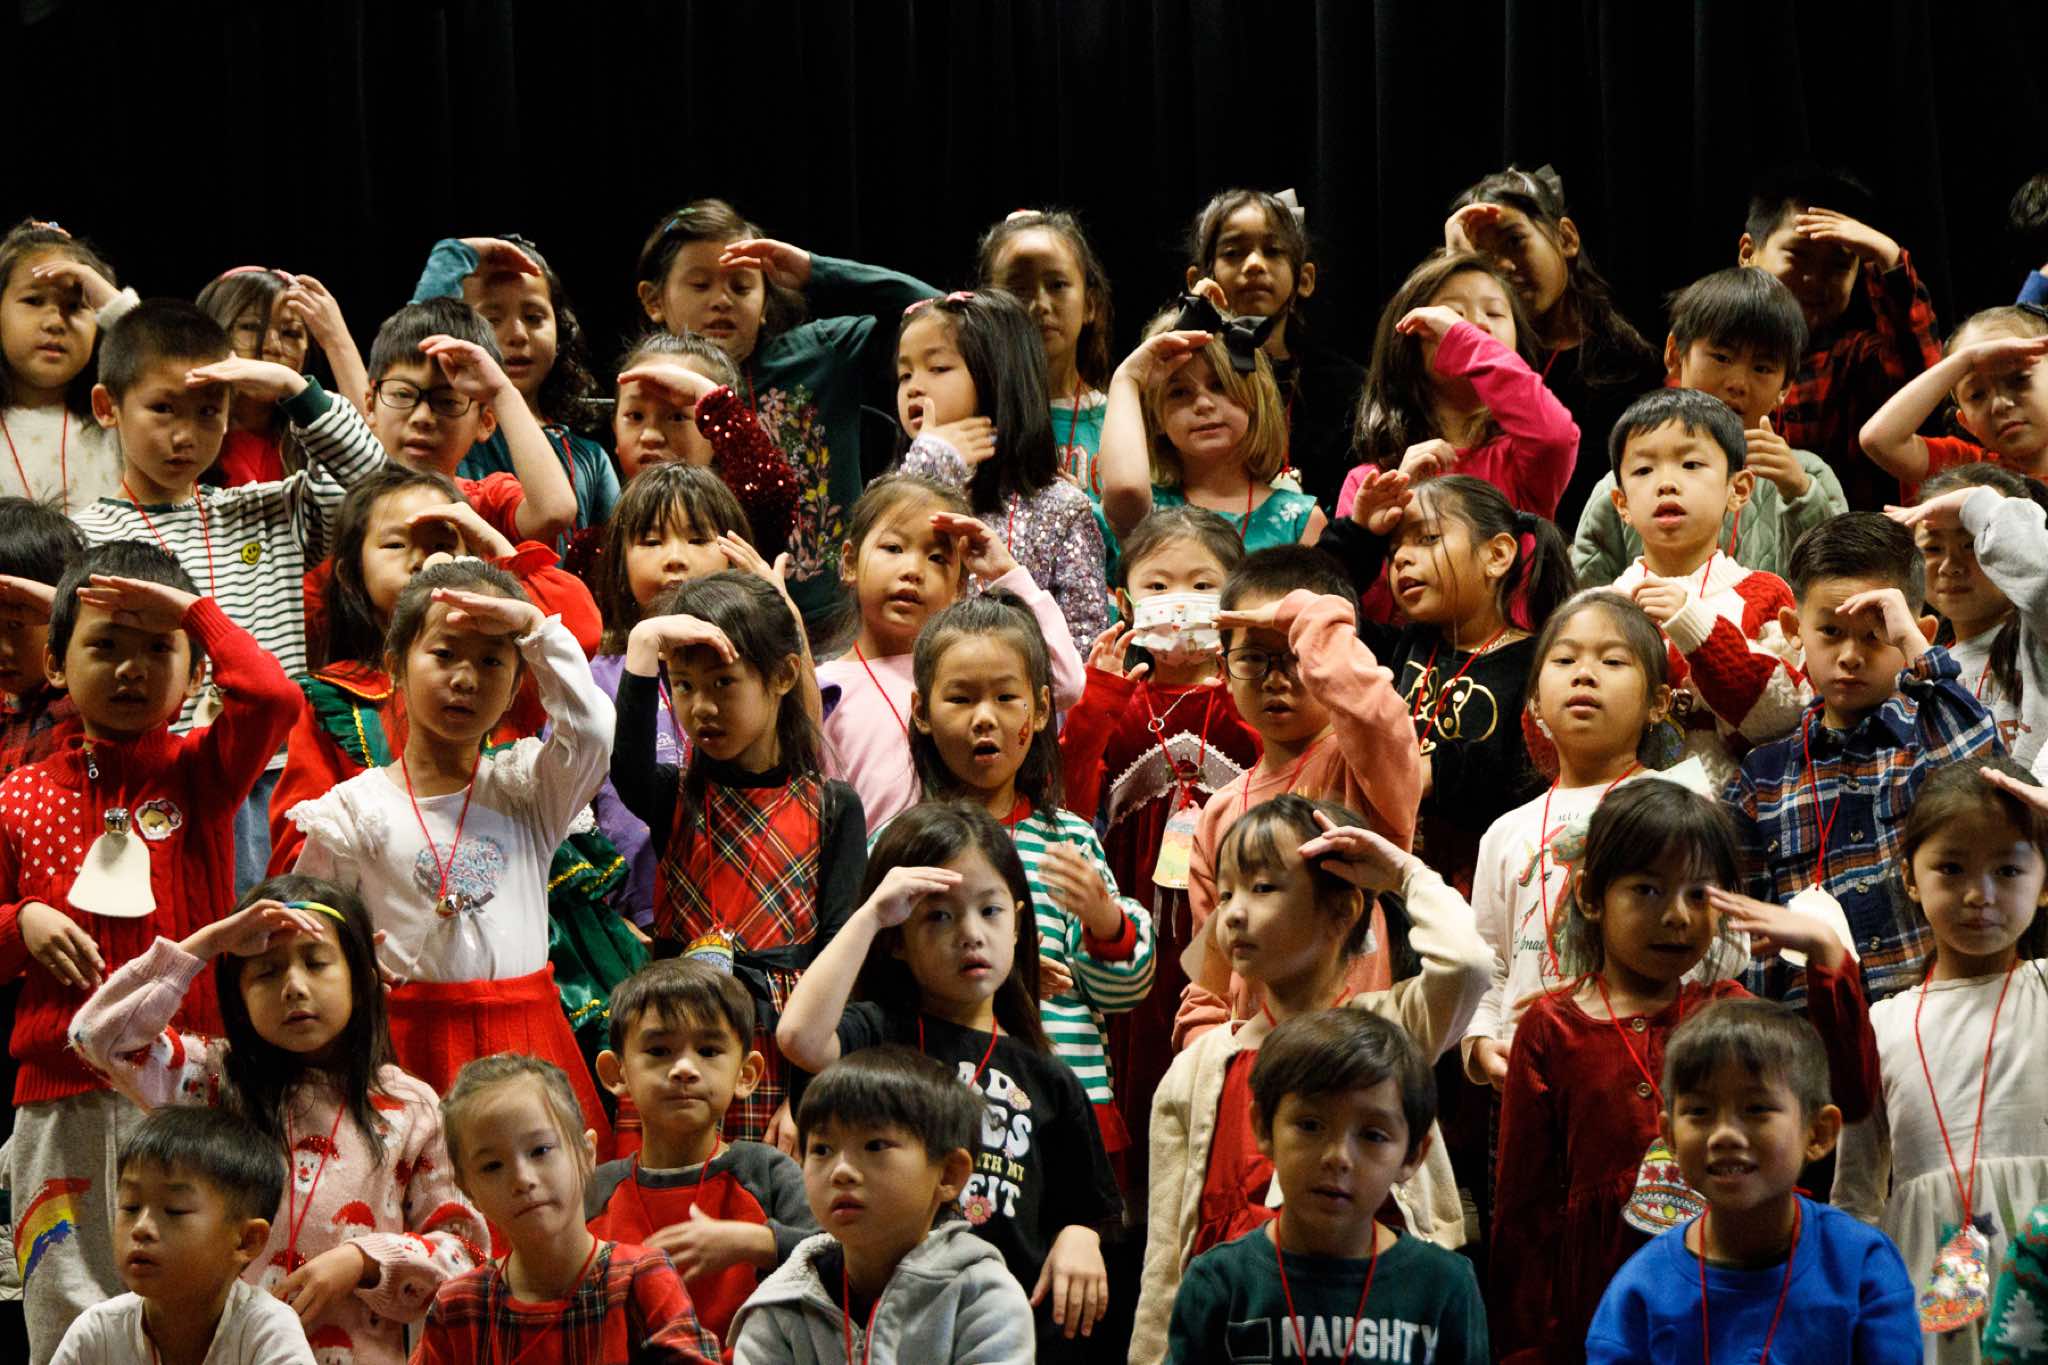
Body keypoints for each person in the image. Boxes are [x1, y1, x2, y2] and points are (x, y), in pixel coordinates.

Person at [0, 542, 299, 1364]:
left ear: (195, 671)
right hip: (57, 1099)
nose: (132, 668)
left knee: (197, 1303)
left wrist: (195, 614)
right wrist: (20, 920)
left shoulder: (204, 774)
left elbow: (273, 696)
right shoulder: (15, 794)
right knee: (63, 1306)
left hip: (186, 1089)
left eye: (158, 647)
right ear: (54, 665)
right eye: (105, 645)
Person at [1490, 778, 1866, 1360]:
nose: (1677, 916)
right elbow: (1523, 1215)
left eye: (1699, 894)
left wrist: (1826, 953)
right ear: (1590, 896)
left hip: (1737, 1304)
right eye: (1647, 890)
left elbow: (1850, 1099)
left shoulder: (1731, 1014)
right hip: (1598, 1315)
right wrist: (1526, 1352)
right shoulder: (1550, 1030)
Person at [67, 877, 487, 1365]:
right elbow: (97, 1036)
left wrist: (364, 1261)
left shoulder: (410, 1106)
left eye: (317, 962)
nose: (294, 987)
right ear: (239, 997)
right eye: (266, 971)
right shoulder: (211, 1081)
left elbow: (466, 1254)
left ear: (362, 978)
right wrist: (208, 944)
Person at [1133, 796, 1488, 1363]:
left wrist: (1402, 873)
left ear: (1342, 911)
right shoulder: (1197, 1071)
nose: (1234, 914)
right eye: (1224, 895)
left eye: (1262, 888)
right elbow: (1165, 1265)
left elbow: (1467, 964)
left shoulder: (1390, 1032)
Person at [285, 560, 619, 1153]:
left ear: (516, 687)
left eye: (491, 661)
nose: (466, 678)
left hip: (528, 1040)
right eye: (444, 655)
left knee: (535, 1198)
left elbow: (592, 731)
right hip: (406, 1050)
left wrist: (535, 630)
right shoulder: (352, 812)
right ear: (395, 667)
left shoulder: (528, 791)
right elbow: (309, 936)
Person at [776, 802, 1121, 1357]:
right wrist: (871, 915)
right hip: (887, 1328)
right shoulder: (878, 1034)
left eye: (991, 911)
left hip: (1005, 1332)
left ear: (1018, 923)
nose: (971, 934)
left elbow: (1090, 1206)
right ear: (897, 939)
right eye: (938, 917)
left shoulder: (1047, 1076)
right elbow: (799, 1038)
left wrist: (1081, 1236)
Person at [74, 299, 396, 890]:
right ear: (106, 407)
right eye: (162, 408)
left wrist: (295, 391)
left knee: (282, 931)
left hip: (278, 771)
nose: (184, 434)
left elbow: (377, 487)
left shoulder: (269, 509)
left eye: (208, 411)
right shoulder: (82, 535)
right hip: (160, 777)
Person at [612, 571, 865, 1144]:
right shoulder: (676, 795)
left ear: (783, 676)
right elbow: (625, 766)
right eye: (683, 686)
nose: (701, 707)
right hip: (679, 1036)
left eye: (723, 683)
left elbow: (837, 956)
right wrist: (644, 643)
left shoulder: (831, 806)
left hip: (779, 1048)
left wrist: (806, 1097)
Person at [904, 592, 1154, 1158]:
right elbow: (879, 983)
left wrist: (1106, 923)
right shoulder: (902, 847)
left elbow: (1122, 992)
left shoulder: (1070, 840)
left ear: (1040, 710)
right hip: (941, 1115)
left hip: (1062, 1112)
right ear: (921, 711)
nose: (984, 718)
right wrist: (1005, 975)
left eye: (1005, 697)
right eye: (960, 698)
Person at [1057, 507, 1261, 1175]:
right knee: (1138, 1051)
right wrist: (1098, 696)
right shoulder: (1116, 701)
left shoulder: (1252, 697)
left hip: (1227, 915)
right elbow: (1071, 794)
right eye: (1158, 585)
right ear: (1124, 600)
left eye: (1204, 586)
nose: (1180, 600)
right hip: (1134, 918)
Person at [631, 198, 940, 634]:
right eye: (700, 285)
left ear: (765, 299)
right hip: (707, 624)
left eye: (741, 287)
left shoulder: (820, 354)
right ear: (654, 300)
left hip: (836, 624)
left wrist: (817, 270)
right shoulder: (647, 383)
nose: (722, 300)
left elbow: (937, 313)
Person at [1729, 513, 2002, 1004]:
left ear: (1917, 632)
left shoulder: (1932, 734)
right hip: (1816, 1033)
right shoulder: (1762, 777)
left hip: (1940, 1016)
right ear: (1793, 628)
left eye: (1875, 635)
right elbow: (1750, 935)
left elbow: (1986, 775)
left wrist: (1914, 648)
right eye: (1831, 631)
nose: (1850, 655)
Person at [269, 465, 602, 866]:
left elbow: (580, 633)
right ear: (350, 572)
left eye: (443, 543)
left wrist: (497, 554)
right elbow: (301, 847)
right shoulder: (333, 698)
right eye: (395, 544)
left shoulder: (501, 670)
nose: (420, 560)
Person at [1834, 759, 2048, 1364]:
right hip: (1924, 1284)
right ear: (1909, 877)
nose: (1980, 895)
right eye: (1951, 869)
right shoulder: (1881, 1025)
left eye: (2009, 870)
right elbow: (1856, 1196)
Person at [1175, 546, 1423, 1045]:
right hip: (1256, 1067)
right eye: (1254, 658)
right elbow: (1211, 971)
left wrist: (1309, 620)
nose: (1275, 678)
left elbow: (1375, 711)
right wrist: (1210, 1050)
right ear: (1223, 668)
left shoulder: (1364, 764)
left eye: (1294, 656)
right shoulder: (1219, 813)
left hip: (1352, 1056)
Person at [1585, 998, 1919, 1365]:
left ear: (1818, 1133)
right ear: (1670, 1137)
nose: (1724, 1135)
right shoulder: (1640, 1292)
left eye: (1756, 1109)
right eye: (1699, 1111)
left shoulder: (1861, 1265)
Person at [1164, 1009, 1489, 1365]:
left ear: (1412, 1156)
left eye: (1372, 1135)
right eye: (1310, 1125)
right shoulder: (1220, 1284)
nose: (1338, 1157)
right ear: (1263, 1128)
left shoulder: (1443, 1287)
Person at [1461, 590, 1682, 1091]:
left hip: (1641, 1072)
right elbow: (1488, 964)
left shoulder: (1679, 804)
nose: (1584, 674)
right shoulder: (1506, 831)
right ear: (1536, 703)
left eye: (1612, 661)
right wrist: (1481, 1042)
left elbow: (1721, 950)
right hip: (1528, 1075)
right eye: (1564, 660)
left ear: (1658, 703)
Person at [1318, 471, 1572, 890]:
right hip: (1389, 881)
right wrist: (1359, 534)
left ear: (1497, 555)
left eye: (1428, 539)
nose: (1402, 558)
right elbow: (1318, 607)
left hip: (1485, 887)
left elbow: (1534, 775)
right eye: (1393, 549)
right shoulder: (1405, 646)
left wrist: (1438, 772)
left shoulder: (1541, 663)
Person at [725, 1046, 1035, 1364]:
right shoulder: (782, 1303)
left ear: (948, 1173)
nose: (841, 1171)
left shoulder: (982, 1297)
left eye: (874, 1146)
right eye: (822, 1149)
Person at [813, 473, 1083, 831]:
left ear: (959, 587)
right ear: (849, 562)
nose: (912, 570)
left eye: (938, 558)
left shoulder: (974, 668)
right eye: (893, 548)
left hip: (975, 858)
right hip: (874, 865)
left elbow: (1065, 683)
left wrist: (1005, 572)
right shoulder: (823, 687)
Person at [417, 1054, 721, 1363]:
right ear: (468, 1190)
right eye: (492, 1166)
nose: (522, 1179)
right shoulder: (457, 1308)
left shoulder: (641, 1281)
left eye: (540, 1150)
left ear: (586, 1154)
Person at [587, 959, 815, 1346]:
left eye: (708, 1050)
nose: (684, 1068)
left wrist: (755, 1243)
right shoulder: (595, 1192)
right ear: (616, 1073)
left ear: (745, 1074)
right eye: (659, 1050)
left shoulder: (766, 1173)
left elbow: (842, 1261)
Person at [1572, 268, 1847, 585]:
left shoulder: (1808, 477)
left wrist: (1801, 495)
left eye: (1762, 368)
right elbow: (1585, 596)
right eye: (1721, 357)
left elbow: (1837, 585)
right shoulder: (1624, 483)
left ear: (1784, 387)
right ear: (1676, 355)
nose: (1738, 383)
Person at [1604, 388, 1810, 787]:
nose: (1666, 483)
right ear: (1622, 504)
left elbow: (1784, 721)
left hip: (1735, 812)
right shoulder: (1603, 608)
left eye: (1691, 464)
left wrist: (1696, 628)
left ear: (1739, 490)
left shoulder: (1766, 594)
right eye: (1643, 470)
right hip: (1624, 811)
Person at [1444, 165, 1666, 533]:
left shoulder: (1630, 364)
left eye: (1514, 241)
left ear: (1565, 238)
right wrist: (1457, 268)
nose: (1502, 266)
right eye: (1482, 257)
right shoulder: (1473, 368)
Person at [587, 463, 760, 924]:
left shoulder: (759, 670)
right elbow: (564, 815)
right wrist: (606, 921)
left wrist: (779, 611)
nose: (675, 558)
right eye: (651, 541)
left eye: (698, 539)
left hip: (750, 911)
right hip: (634, 920)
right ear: (620, 562)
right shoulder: (594, 683)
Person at [893, 289, 1111, 644]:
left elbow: (1083, 646)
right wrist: (929, 464)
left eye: (938, 368)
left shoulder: (1062, 508)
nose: (914, 388)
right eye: (904, 375)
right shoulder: (893, 487)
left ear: (996, 375)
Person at [291, 297, 578, 549]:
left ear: (486, 422)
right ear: (370, 405)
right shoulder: (332, 504)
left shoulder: (488, 502)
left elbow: (554, 511)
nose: (422, 418)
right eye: (403, 395)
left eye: (447, 402)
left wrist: (501, 392)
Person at [1737, 165, 1943, 511]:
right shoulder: (1706, 346)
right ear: (1748, 253)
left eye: (1837, 266)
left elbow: (1922, 379)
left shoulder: (1854, 359)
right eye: (1798, 255)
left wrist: (1889, 258)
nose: (1814, 279)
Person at [1336, 252, 1580, 537]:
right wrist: (1395, 507)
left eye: (1494, 313)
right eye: (1454, 316)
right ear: (1408, 345)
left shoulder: (1521, 462)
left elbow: (1556, 437)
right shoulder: (1369, 483)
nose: (1478, 325)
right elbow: (1347, 567)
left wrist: (1463, 339)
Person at [47, 1107, 315, 1365]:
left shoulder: (268, 1330)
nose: (141, 1228)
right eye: (130, 1207)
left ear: (247, 1240)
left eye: (174, 1210)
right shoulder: (97, 1333)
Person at [409, 235, 618, 542]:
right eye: (491, 320)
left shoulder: (591, 458)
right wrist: (454, 256)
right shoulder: (454, 435)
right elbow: (412, 347)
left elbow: (617, 554)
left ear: (560, 328)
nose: (518, 334)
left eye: (534, 318)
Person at [1887, 465, 2048, 767]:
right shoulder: (1915, 663)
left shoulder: (2037, 639)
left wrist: (1976, 504)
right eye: (1933, 547)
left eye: (1973, 544)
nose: (1950, 566)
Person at [611, 334, 800, 556]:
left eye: (677, 417)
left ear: (716, 432)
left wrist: (710, 396)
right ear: (614, 429)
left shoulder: (737, 528)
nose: (650, 436)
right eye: (635, 416)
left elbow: (774, 496)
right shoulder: (599, 545)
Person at [977, 209, 1116, 501]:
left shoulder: (1121, 421)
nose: (1039, 304)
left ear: (1090, 304)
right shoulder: (972, 421)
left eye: (1057, 285)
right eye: (1018, 289)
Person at [0, 219, 134, 511]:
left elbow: (169, 366)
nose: (54, 322)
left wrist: (118, 308)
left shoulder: (119, 420)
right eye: (34, 300)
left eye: (75, 306)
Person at [194, 265, 367, 487]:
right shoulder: (181, 435)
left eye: (290, 333)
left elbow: (373, 470)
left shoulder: (316, 440)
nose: (273, 346)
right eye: (251, 327)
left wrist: (336, 340)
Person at [1860, 305, 2048, 498]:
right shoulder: (1963, 471)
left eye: (2019, 379)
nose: (1999, 404)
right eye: (1977, 395)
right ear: (1966, 422)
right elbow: (1878, 440)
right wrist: (1967, 360)